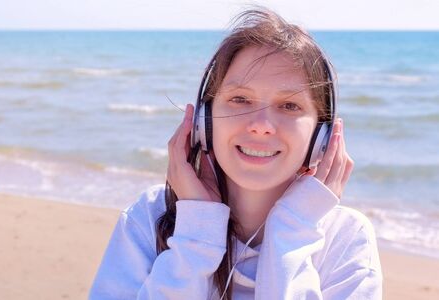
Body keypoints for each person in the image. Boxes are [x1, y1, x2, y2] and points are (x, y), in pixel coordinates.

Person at [89, 7, 383, 300]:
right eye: (240, 99)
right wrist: (197, 234)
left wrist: (291, 232)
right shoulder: (149, 216)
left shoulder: (346, 239)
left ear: (323, 135)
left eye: (290, 106)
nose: (261, 126)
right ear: (204, 120)